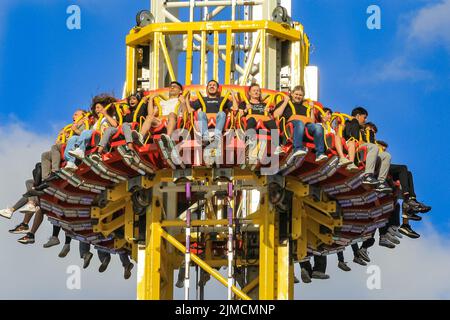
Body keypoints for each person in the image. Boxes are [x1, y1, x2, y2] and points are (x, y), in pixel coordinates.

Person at [273, 85, 328, 162]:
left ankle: (320, 153)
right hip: (290, 127)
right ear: (292, 94)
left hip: (304, 128)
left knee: (318, 127)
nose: (298, 96)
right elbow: (276, 115)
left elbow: (311, 121)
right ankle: (297, 148)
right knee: (299, 123)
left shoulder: (305, 108)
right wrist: (285, 101)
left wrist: (312, 109)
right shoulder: (285, 104)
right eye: (296, 94)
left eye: (300, 95)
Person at [344, 107, 391, 192]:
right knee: (374, 147)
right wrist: (355, 121)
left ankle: (381, 182)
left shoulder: (363, 130)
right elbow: (352, 136)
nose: (365, 120)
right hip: (354, 148)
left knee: (386, 156)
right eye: (364, 117)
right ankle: (368, 175)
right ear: (358, 116)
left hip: (364, 150)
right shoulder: (350, 122)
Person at [66, 94, 118, 163]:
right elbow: (87, 134)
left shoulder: (108, 117)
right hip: (94, 139)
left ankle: (80, 150)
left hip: (102, 139)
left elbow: (115, 125)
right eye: (96, 108)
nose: (96, 110)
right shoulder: (96, 123)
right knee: (73, 138)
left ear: (104, 108)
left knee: (88, 132)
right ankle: (71, 161)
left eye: (98, 107)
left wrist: (105, 114)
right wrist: (77, 130)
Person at [186, 80, 237, 145]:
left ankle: (216, 137)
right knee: (201, 113)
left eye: (214, 85)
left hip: (219, 120)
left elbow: (235, 109)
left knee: (222, 113)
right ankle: (205, 137)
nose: (212, 86)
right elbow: (190, 110)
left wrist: (233, 95)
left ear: (218, 89)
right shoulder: (202, 99)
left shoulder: (223, 99)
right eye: (210, 85)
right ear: (207, 89)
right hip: (205, 121)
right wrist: (186, 100)